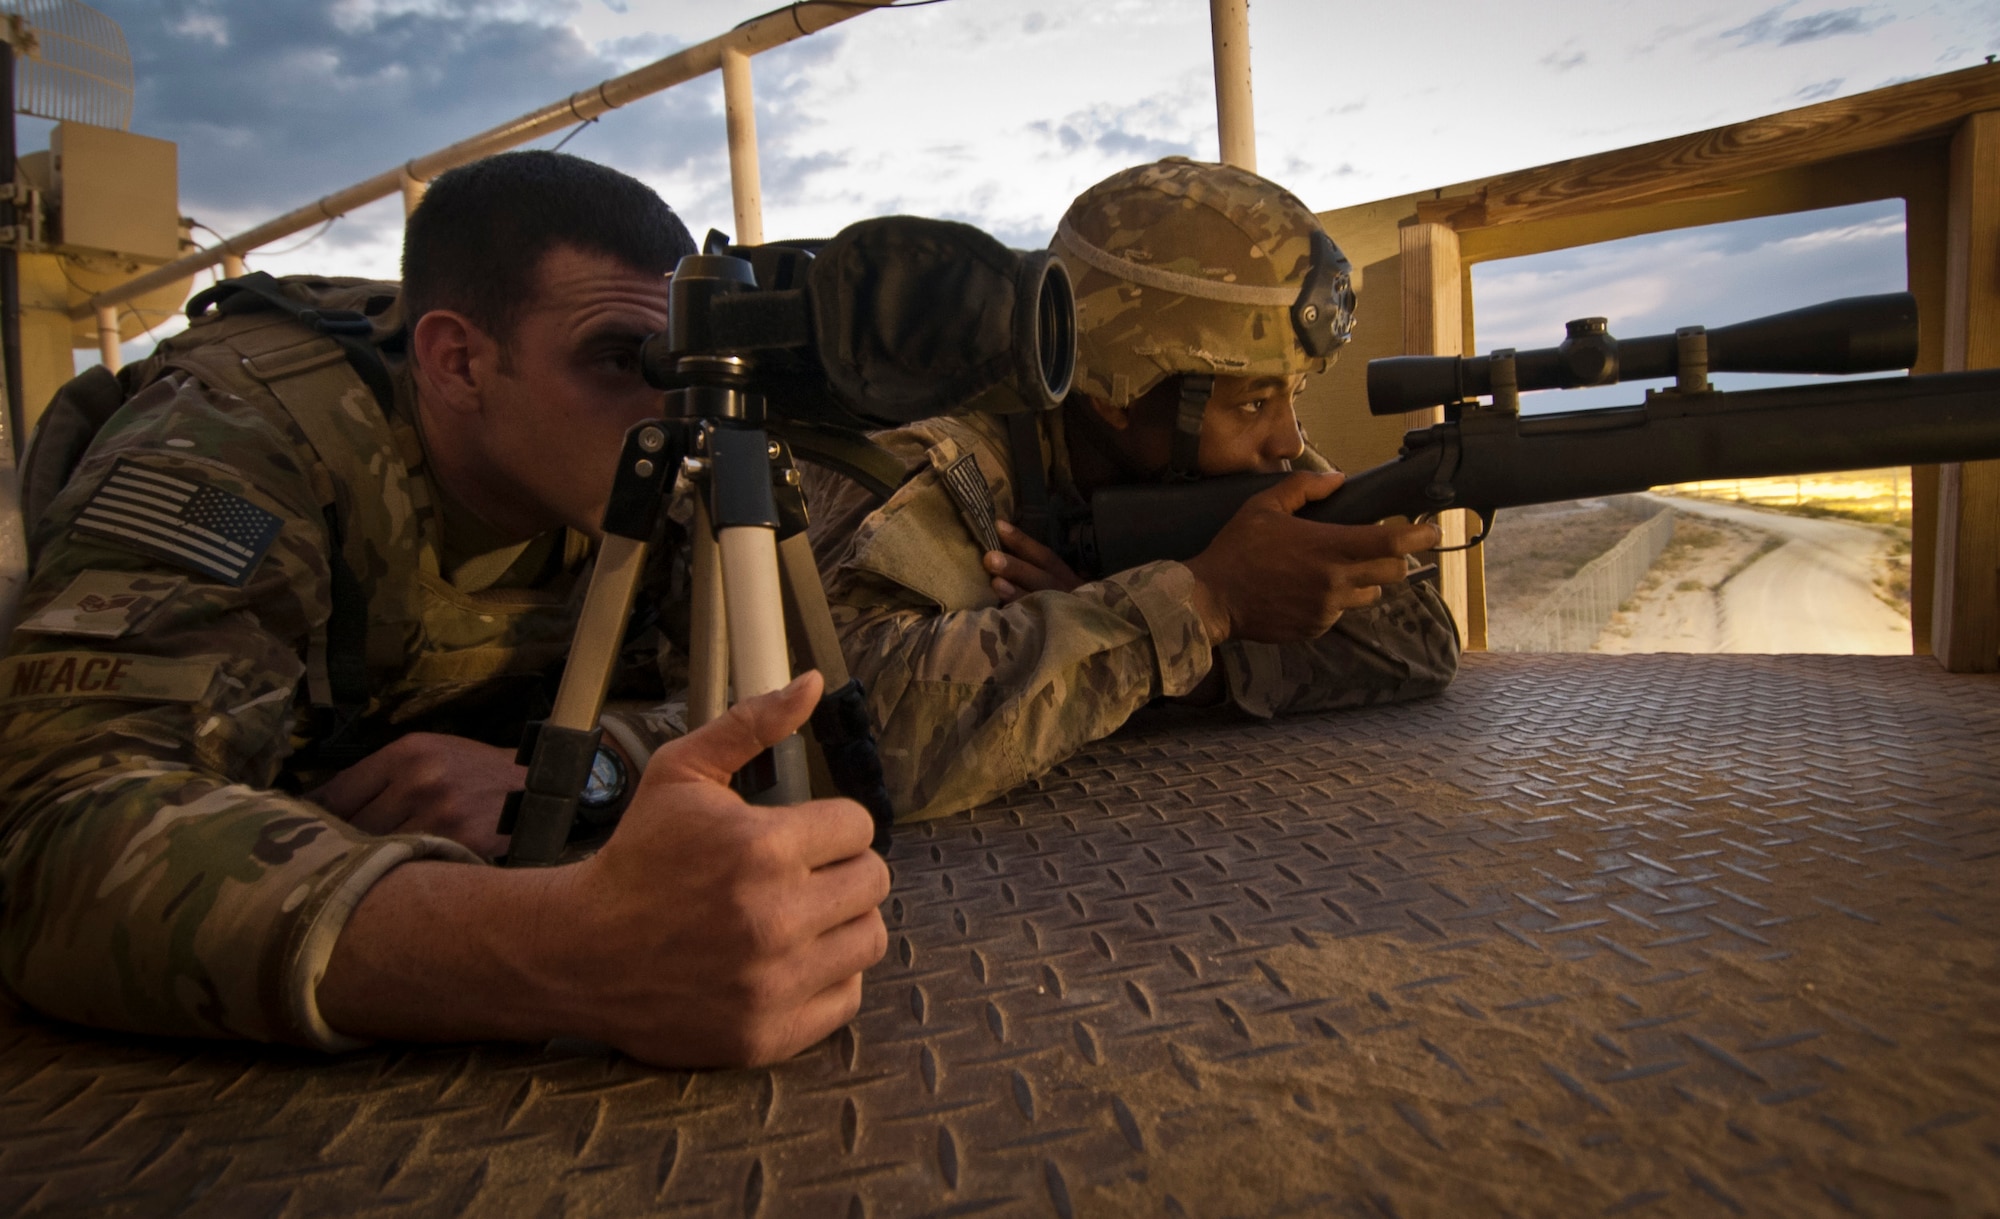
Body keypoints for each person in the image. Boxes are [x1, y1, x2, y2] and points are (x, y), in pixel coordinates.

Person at [0, 151, 888, 1066]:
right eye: (622, 358)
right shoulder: (237, 444)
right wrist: (560, 950)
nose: (671, 404)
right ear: (458, 360)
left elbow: (804, 712)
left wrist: (593, 768)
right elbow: (49, 835)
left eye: (678, 360)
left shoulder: (648, 455)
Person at [803, 157, 1461, 821]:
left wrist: (1138, 636)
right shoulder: (947, 460)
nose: (1288, 441)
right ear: (1118, 395)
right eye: (1257, 401)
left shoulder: (1241, 462)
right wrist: (1199, 602)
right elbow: (853, 737)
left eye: (1293, 394)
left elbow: (1421, 638)